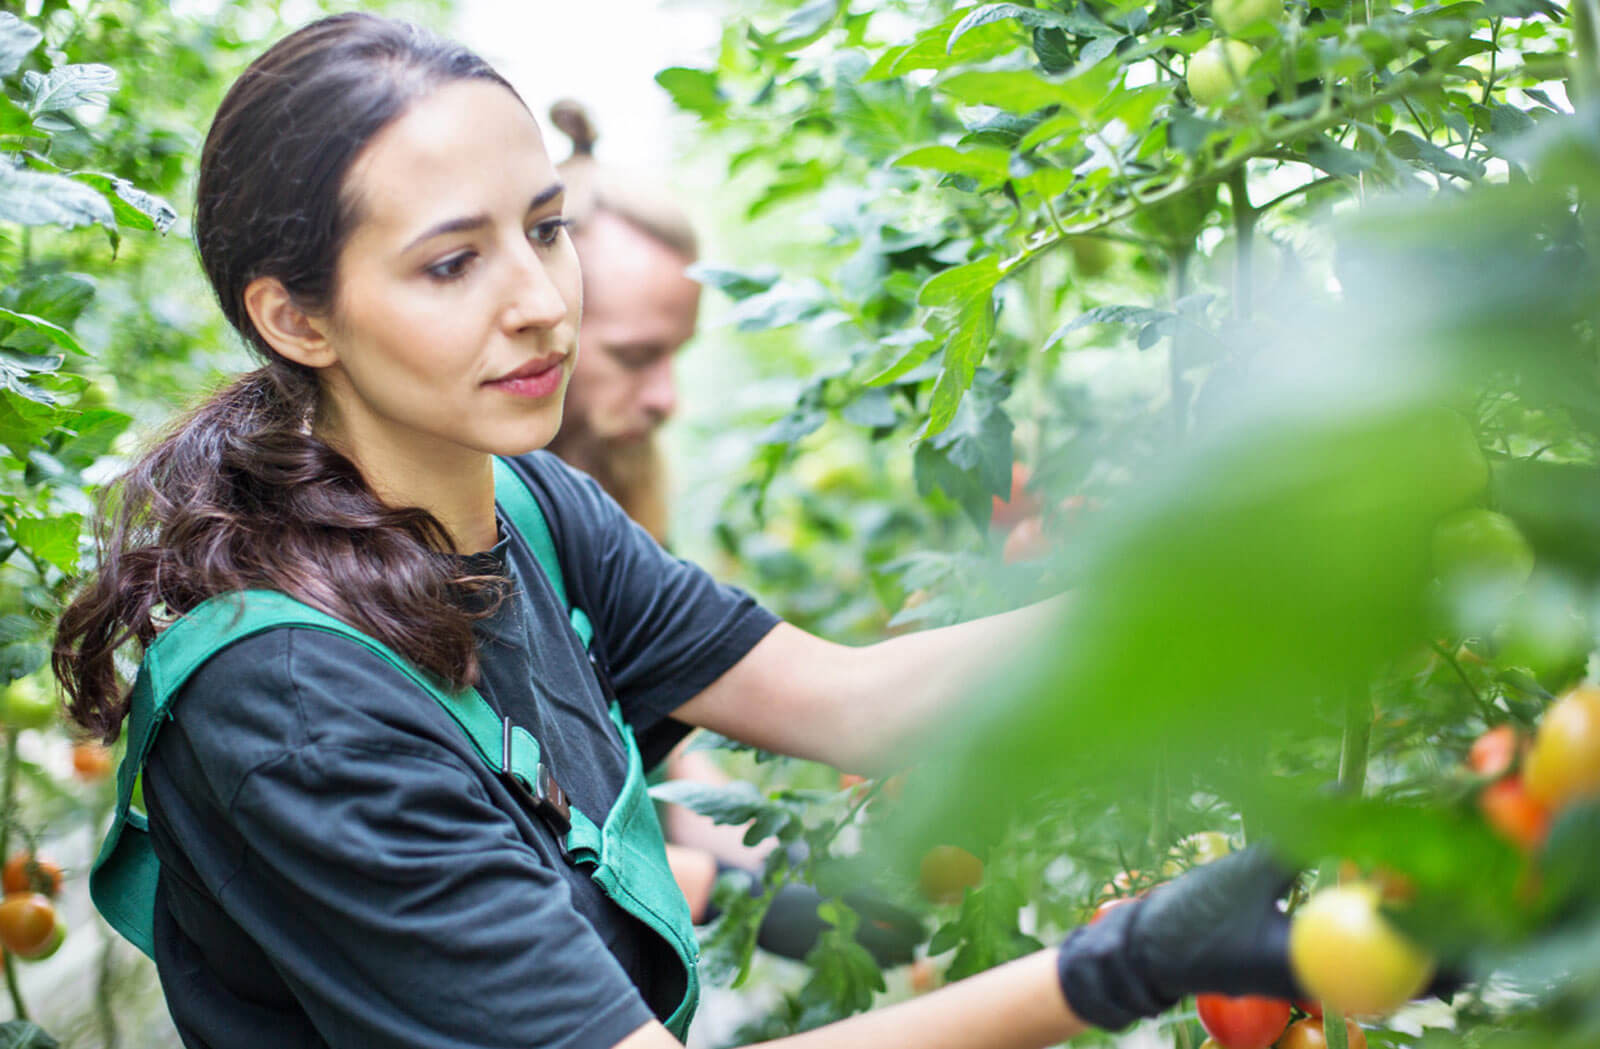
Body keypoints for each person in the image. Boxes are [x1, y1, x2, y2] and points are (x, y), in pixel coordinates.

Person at [54, 14, 1326, 1049]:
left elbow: (849, 700)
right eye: (452, 264)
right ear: (296, 318)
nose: (543, 302)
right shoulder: (295, 708)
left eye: (545, 229)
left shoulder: (531, 506)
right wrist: (1121, 964)